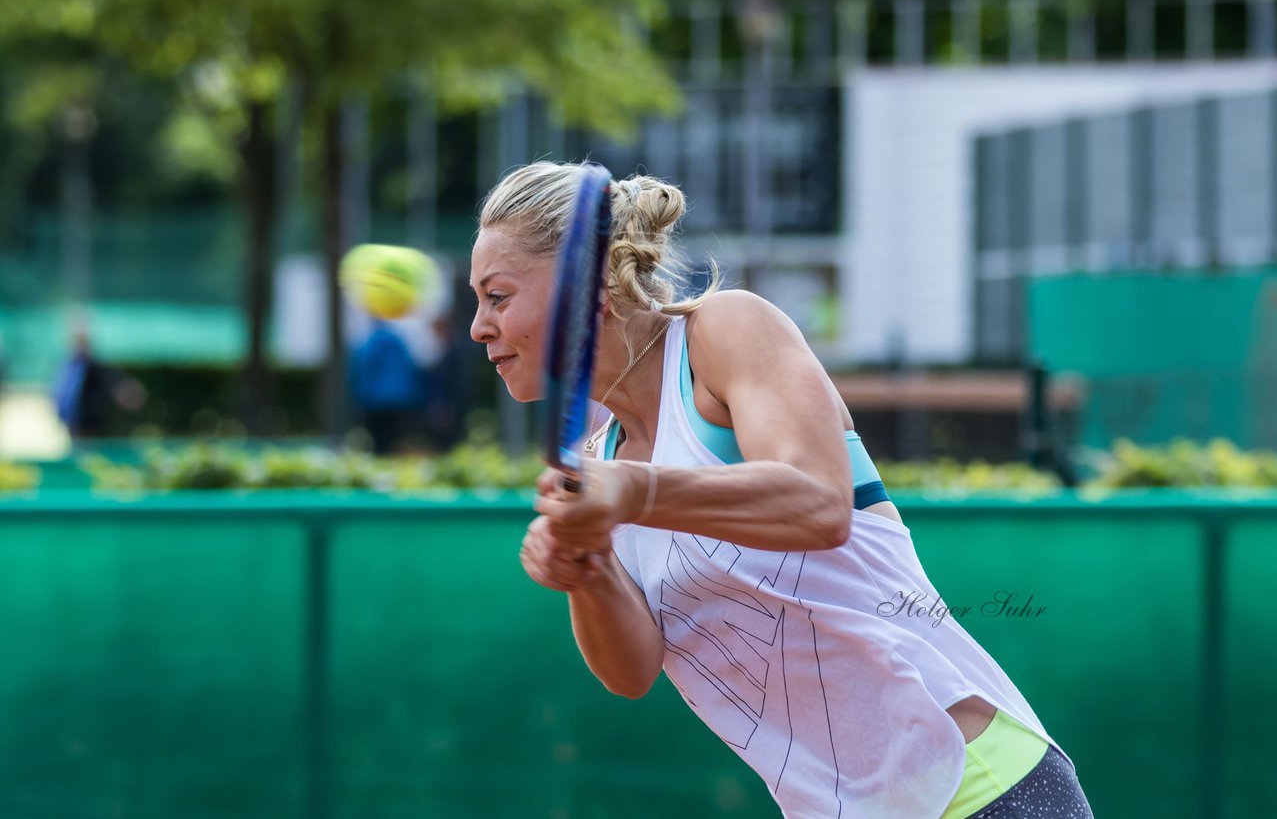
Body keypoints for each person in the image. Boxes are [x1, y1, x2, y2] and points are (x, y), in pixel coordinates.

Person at [469, 162, 1094, 819]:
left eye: (498, 296)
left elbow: (820, 504)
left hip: (981, 789)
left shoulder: (723, 332)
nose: (480, 326)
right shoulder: (601, 463)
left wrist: (633, 493)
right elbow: (631, 672)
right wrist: (586, 568)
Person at [349, 319, 425, 455]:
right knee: (393, 438)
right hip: (399, 399)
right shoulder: (399, 341)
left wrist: (360, 396)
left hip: (375, 400)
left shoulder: (370, 342)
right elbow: (409, 369)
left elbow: (364, 368)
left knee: (378, 440)